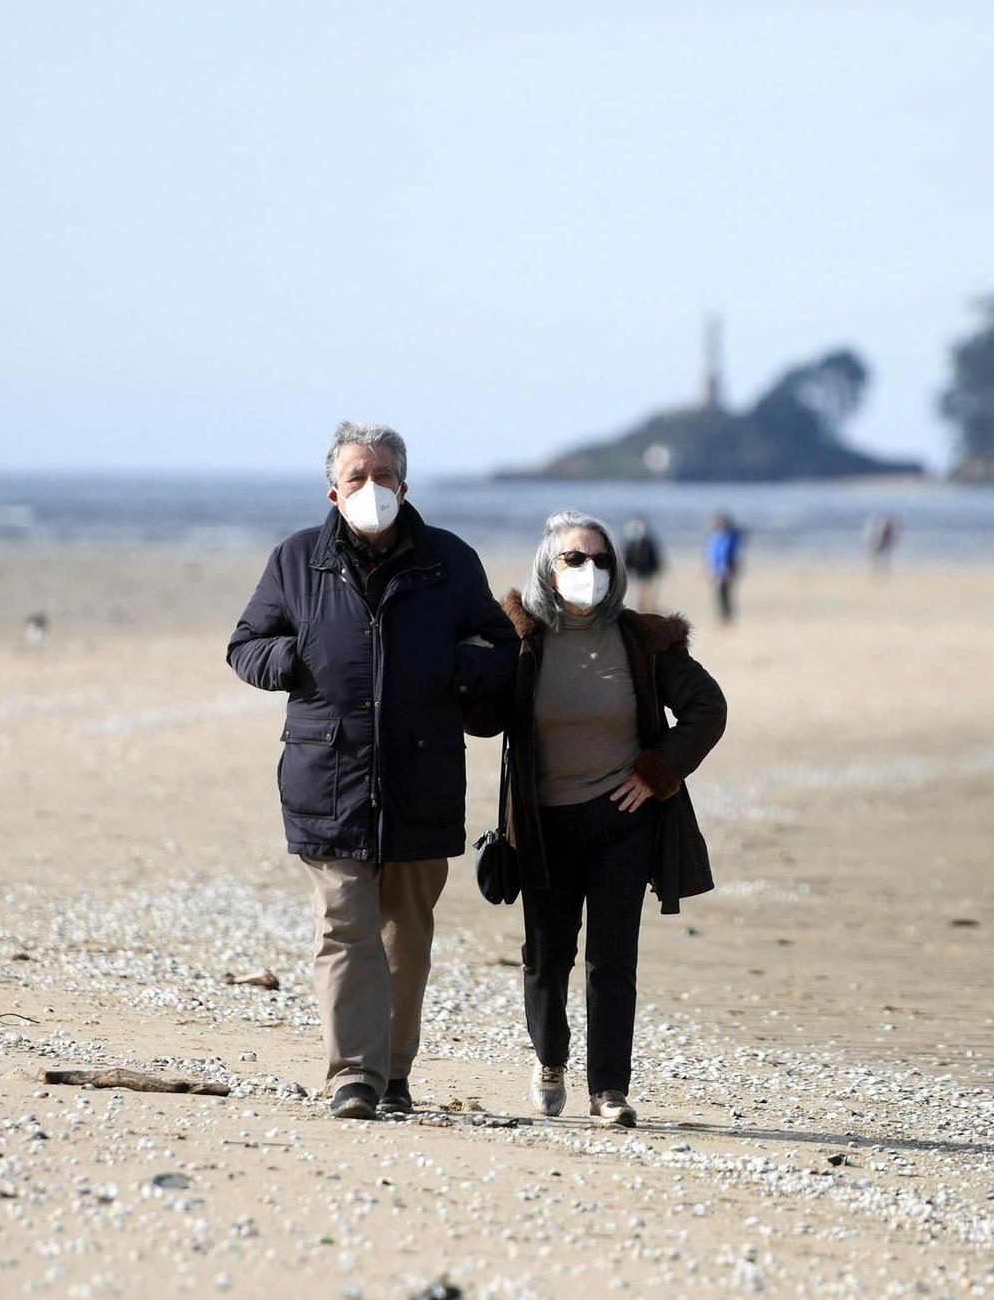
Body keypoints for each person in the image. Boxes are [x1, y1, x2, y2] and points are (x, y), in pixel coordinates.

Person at [227, 422, 518, 1120]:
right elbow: (246, 644)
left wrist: (453, 666)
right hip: (328, 775)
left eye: (383, 475)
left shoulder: (450, 560)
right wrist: (292, 661)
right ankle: (352, 1075)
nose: (371, 487)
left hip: (423, 775)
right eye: (357, 476)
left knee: (405, 935)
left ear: (404, 485)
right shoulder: (296, 560)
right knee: (344, 927)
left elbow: (502, 645)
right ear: (333, 490)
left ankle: (393, 1071)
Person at [473, 512, 727, 1125]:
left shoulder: (644, 639)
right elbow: (478, 717)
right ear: (547, 567)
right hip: (543, 828)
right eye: (574, 559)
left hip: (623, 823)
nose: (590, 570)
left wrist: (656, 773)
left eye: (602, 560)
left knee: (613, 958)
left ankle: (609, 1089)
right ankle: (550, 1057)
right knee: (546, 956)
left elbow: (706, 708)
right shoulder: (520, 637)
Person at [621, 515, 665, 613]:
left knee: (647, 597)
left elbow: (655, 559)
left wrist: (652, 573)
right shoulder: (630, 543)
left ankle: (647, 612)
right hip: (634, 575)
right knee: (635, 598)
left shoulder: (648, 543)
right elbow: (626, 560)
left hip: (647, 575)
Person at [706, 513, 742, 624]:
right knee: (719, 593)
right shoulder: (716, 536)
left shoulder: (731, 536)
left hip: (727, 568)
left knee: (725, 592)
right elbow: (713, 554)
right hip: (718, 569)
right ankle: (722, 615)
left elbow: (730, 554)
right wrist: (712, 568)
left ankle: (727, 616)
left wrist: (729, 568)